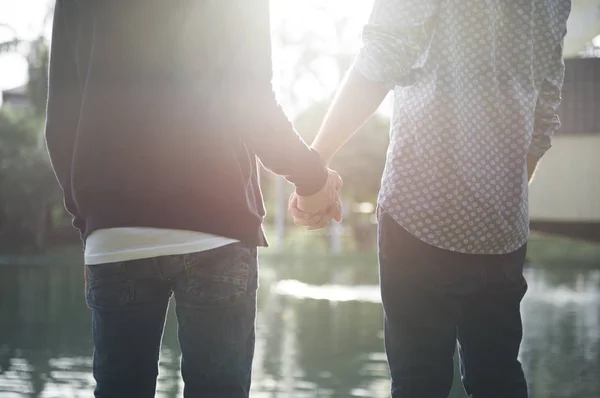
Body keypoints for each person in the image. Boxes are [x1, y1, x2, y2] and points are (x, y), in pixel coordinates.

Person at [45, 1, 341, 397]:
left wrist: (92, 222)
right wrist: (312, 179)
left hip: (115, 233)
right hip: (216, 227)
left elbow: (61, 123)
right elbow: (252, 103)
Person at [291, 0, 572, 397]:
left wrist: (314, 166)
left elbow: (385, 51)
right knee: (498, 376)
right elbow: (546, 107)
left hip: (419, 210)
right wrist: (499, 194)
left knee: (418, 382)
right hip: (502, 226)